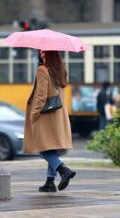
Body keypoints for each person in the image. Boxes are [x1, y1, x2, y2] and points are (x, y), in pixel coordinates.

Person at [23, 50, 76, 193]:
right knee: (50, 147)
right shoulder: (61, 70)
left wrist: (34, 114)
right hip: (58, 115)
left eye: (43, 52)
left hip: (45, 115)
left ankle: (62, 169)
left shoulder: (42, 70)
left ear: (49, 54)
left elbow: (41, 95)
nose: (41, 54)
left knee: (42, 148)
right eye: (40, 52)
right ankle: (50, 182)